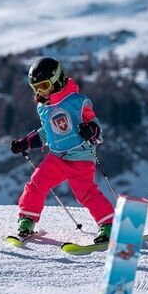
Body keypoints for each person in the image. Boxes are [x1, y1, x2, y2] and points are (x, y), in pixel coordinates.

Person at [9, 57, 114, 243]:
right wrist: (25, 142)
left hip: (81, 156)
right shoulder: (43, 107)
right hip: (57, 158)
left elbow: (95, 124)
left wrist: (91, 130)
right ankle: (27, 220)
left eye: (43, 86)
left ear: (57, 80)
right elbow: (47, 133)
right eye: (35, 88)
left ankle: (108, 224)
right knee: (36, 184)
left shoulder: (77, 101)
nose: (40, 92)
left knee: (86, 193)